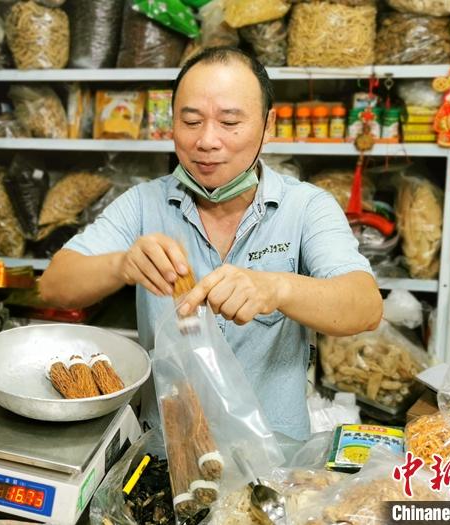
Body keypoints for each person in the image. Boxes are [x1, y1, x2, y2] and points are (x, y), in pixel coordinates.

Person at [40, 46, 382, 441]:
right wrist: (121, 265)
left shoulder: (306, 207)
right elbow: (54, 286)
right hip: (169, 451)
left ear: (269, 126)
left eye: (230, 122)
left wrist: (277, 287)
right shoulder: (143, 203)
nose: (206, 140)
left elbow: (366, 306)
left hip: (275, 453)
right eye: (191, 121)